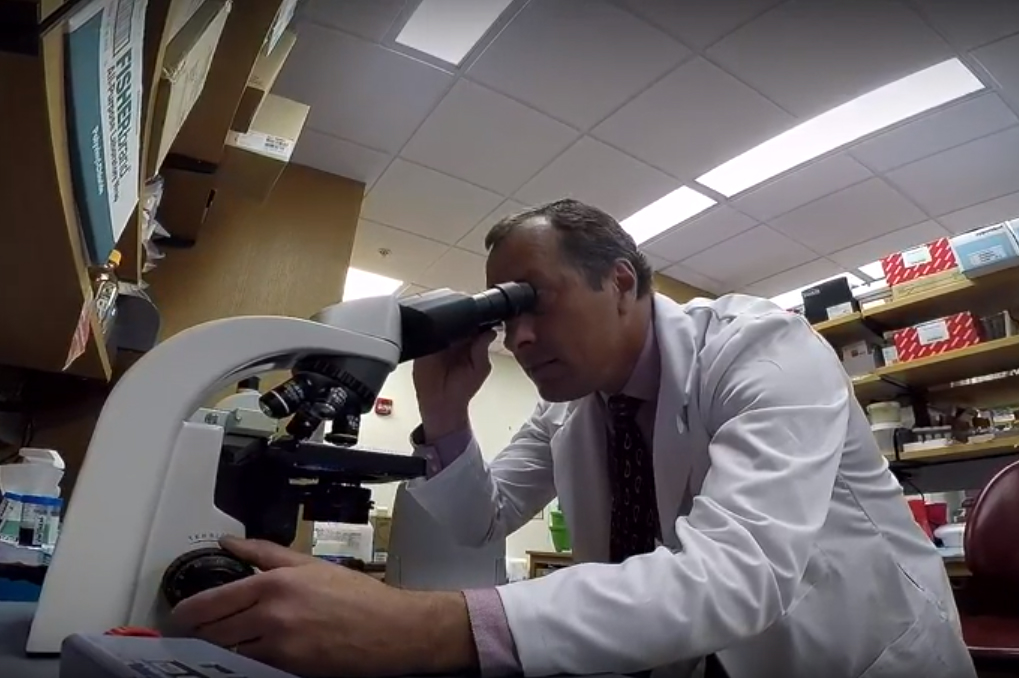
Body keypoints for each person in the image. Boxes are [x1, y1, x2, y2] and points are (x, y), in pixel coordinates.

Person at [173, 199, 975, 678]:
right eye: (503, 315)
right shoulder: (572, 406)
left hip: (854, 655)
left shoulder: (761, 350)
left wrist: (418, 626)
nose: (517, 338)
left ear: (620, 279)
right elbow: (480, 519)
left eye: (533, 302)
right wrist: (445, 413)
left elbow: (740, 576)